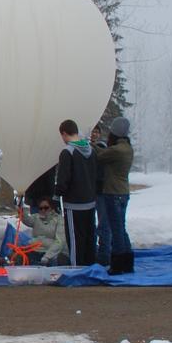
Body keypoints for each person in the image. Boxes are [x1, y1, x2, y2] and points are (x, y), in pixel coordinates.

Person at [55, 119, 98, 267]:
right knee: (89, 237)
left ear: (65, 134)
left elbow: (63, 179)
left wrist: (57, 194)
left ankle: (76, 269)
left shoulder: (68, 152)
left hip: (74, 204)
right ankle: (90, 267)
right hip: (90, 202)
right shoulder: (91, 150)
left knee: (75, 239)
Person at [96, 116, 136, 274]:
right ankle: (127, 262)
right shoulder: (127, 148)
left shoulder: (117, 150)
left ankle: (118, 264)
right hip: (123, 193)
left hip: (113, 193)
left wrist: (85, 143)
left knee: (116, 230)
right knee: (121, 228)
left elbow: (100, 155)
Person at [16, 198, 68, 266]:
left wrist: (47, 256)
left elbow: (60, 242)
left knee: (57, 260)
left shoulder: (59, 220)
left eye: (46, 207)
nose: (43, 210)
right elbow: (26, 220)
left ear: (52, 208)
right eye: (41, 208)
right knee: (19, 256)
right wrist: (21, 209)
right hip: (36, 251)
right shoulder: (36, 217)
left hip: (52, 253)